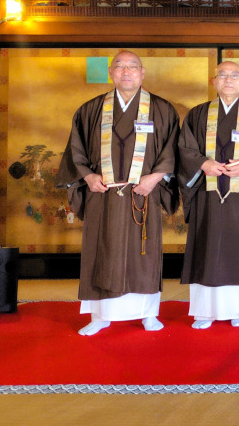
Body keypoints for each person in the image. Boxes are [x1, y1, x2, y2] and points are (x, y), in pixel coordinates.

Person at [56, 51, 180, 336]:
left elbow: (172, 149)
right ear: (111, 72)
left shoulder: (162, 110)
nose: (127, 72)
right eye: (120, 67)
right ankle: (100, 316)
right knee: (101, 250)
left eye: (132, 67)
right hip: (103, 194)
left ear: (143, 72)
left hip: (143, 193)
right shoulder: (90, 110)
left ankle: (148, 313)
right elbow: (75, 151)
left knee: (144, 253)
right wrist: (88, 176)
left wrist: (157, 177)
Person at [177, 61, 239, 330]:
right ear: (214, 81)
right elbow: (185, 149)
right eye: (223, 75)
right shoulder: (197, 115)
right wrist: (203, 164)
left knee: (238, 249)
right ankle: (204, 312)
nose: (228, 79)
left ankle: (237, 310)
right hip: (207, 193)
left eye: (234, 75)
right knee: (205, 246)